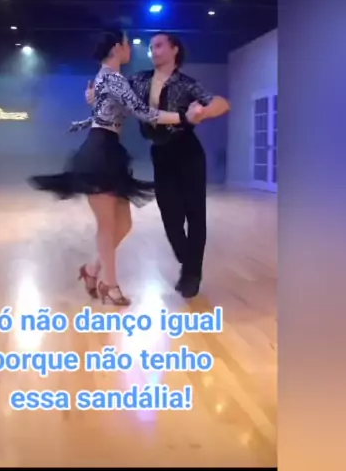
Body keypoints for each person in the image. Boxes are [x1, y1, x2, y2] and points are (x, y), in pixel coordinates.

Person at [28, 29, 199, 306]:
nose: (130, 48)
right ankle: (111, 285)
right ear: (118, 47)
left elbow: (107, 112)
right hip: (100, 152)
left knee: (124, 224)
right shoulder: (113, 78)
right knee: (107, 227)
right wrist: (183, 117)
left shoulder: (106, 77)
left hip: (109, 150)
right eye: (128, 43)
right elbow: (143, 112)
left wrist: (85, 119)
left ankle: (92, 269)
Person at [84, 33, 230, 298]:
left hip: (188, 151)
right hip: (161, 153)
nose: (153, 50)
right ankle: (189, 262)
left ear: (175, 50)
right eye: (151, 47)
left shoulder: (187, 84)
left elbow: (221, 103)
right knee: (171, 217)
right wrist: (94, 94)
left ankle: (191, 274)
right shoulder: (138, 80)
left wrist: (205, 112)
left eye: (159, 45)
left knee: (195, 214)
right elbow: (113, 92)